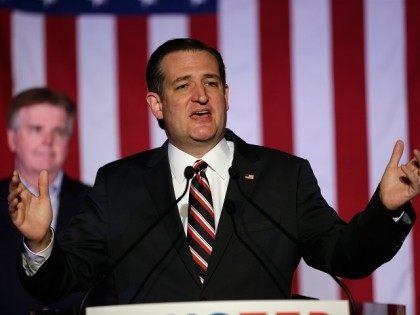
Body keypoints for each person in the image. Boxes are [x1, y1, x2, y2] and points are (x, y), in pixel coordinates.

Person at [7, 39, 420, 306]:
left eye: (211, 83)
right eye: (183, 85)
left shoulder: (283, 176)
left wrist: (385, 209)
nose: (201, 96)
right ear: (156, 104)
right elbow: (62, 281)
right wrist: (40, 242)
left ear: (226, 95)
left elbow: (345, 255)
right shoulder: (119, 185)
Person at [0, 87, 90, 314]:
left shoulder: (97, 201)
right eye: (36, 129)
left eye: (58, 131)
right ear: (12, 138)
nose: (48, 140)